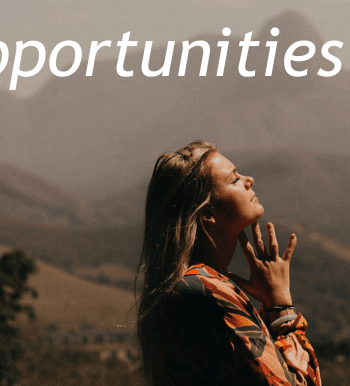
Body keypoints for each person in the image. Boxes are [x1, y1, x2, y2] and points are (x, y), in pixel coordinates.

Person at [137, 141, 321, 386]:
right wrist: (281, 308)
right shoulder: (207, 294)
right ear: (208, 214)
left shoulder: (191, 287)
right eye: (234, 180)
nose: (249, 179)